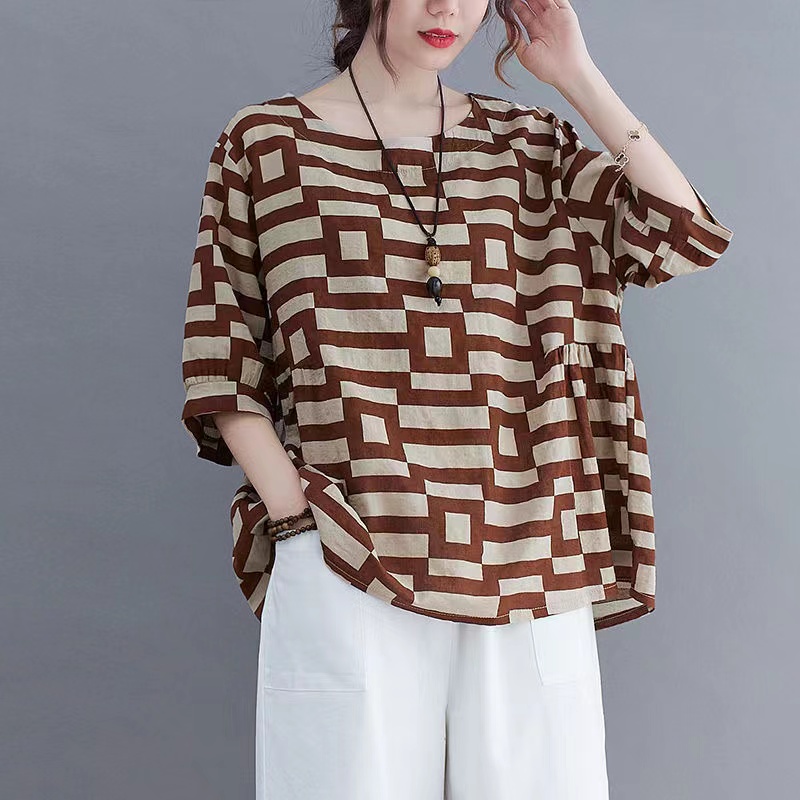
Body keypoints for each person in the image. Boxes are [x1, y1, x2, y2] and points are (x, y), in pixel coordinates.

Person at [179, 1, 734, 798]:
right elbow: (222, 356)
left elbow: (683, 235)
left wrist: (577, 75)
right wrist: (297, 516)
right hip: (348, 546)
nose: (448, 7)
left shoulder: (529, 142)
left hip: (533, 554)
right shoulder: (265, 143)